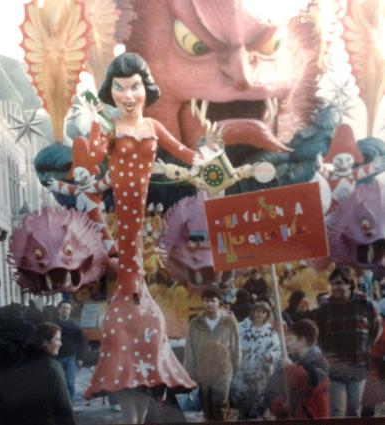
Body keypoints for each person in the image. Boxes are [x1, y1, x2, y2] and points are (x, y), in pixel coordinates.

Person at [81, 52, 219, 423]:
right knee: (130, 272)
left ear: (146, 89)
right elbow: (91, 170)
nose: (128, 95)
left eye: (135, 86)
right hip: (120, 221)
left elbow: (188, 154)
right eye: (119, 87)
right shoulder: (109, 129)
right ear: (110, 92)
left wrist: (208, 155)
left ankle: (144, 379)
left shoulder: (154, 127)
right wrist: (90, 126)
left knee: (137, 277)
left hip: (137, 223)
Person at [314, 265, 382, 417]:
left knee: (354, 409)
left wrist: (365, 346)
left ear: (350, 284)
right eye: (332, 284)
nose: (335, 287)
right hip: (335, 369)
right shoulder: (325, 307)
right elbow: (319, 336)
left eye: (339, 283)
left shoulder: (365, 303)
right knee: (337, 411)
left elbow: (376, 329)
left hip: (358, 366)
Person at [1, 322, 76, 425]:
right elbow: (63, 407)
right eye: (57, 339)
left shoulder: (20, 363)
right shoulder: (51, 366)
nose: (60, 344)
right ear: (45, 342)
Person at [183, 287, 240, 421]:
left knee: (219, 404)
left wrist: (236, 366)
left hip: (223, 370)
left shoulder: (229, 322)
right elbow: (189, 348)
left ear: (218, 302)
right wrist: (190, 372)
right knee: (207, 408)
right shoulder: (195, 323)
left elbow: (236, 345)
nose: (209, 304)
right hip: (203, 370)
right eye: (206, 301)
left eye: (213, 301)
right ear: (203, 302)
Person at [265, 319, 330, 419]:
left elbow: (312, 383)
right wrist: (280, 405)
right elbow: (271, 391)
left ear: (302, 340)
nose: (287, 344)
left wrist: (291, 368)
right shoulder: (287, 361)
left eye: (290, 339)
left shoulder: (319, 362)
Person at [230, 301, 281, 419]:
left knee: (256, 406)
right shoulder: (241, 327)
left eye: (264, 312)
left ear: (267, 314)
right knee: (238, 401)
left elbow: (277, 350)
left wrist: (270, 356)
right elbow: (231, 343)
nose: (260, 314)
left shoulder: (270, 332)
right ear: (253, 311)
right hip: (241, 370)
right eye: (258, 311)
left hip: (260, 374)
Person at [54, 300, 85, 402]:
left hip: (70, 357)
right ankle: (59, 404)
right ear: (59, 310)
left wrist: (80, 357)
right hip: (56, 357)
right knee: (57, 382)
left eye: (67, 308)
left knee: (70, 383)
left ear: (70, 311)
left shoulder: (74, 325)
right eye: (63, 308)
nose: (65, 310)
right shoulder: (53, 324)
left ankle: (70, 404)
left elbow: (81, 341)